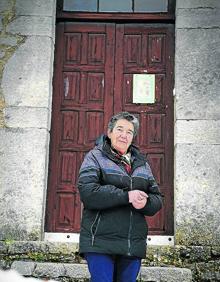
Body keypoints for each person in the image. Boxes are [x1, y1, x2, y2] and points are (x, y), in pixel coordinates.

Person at [77, 112, 163, 282]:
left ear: (133, 137)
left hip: (132, 244)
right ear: (109, 133)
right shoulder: (95, 157)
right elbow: (88, 193)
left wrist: (145, 203)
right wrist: (126, 196)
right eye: (119, 129)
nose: (124, 135)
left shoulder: (142, 163)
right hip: (100, 242)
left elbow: (157, 199)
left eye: (129, 132)